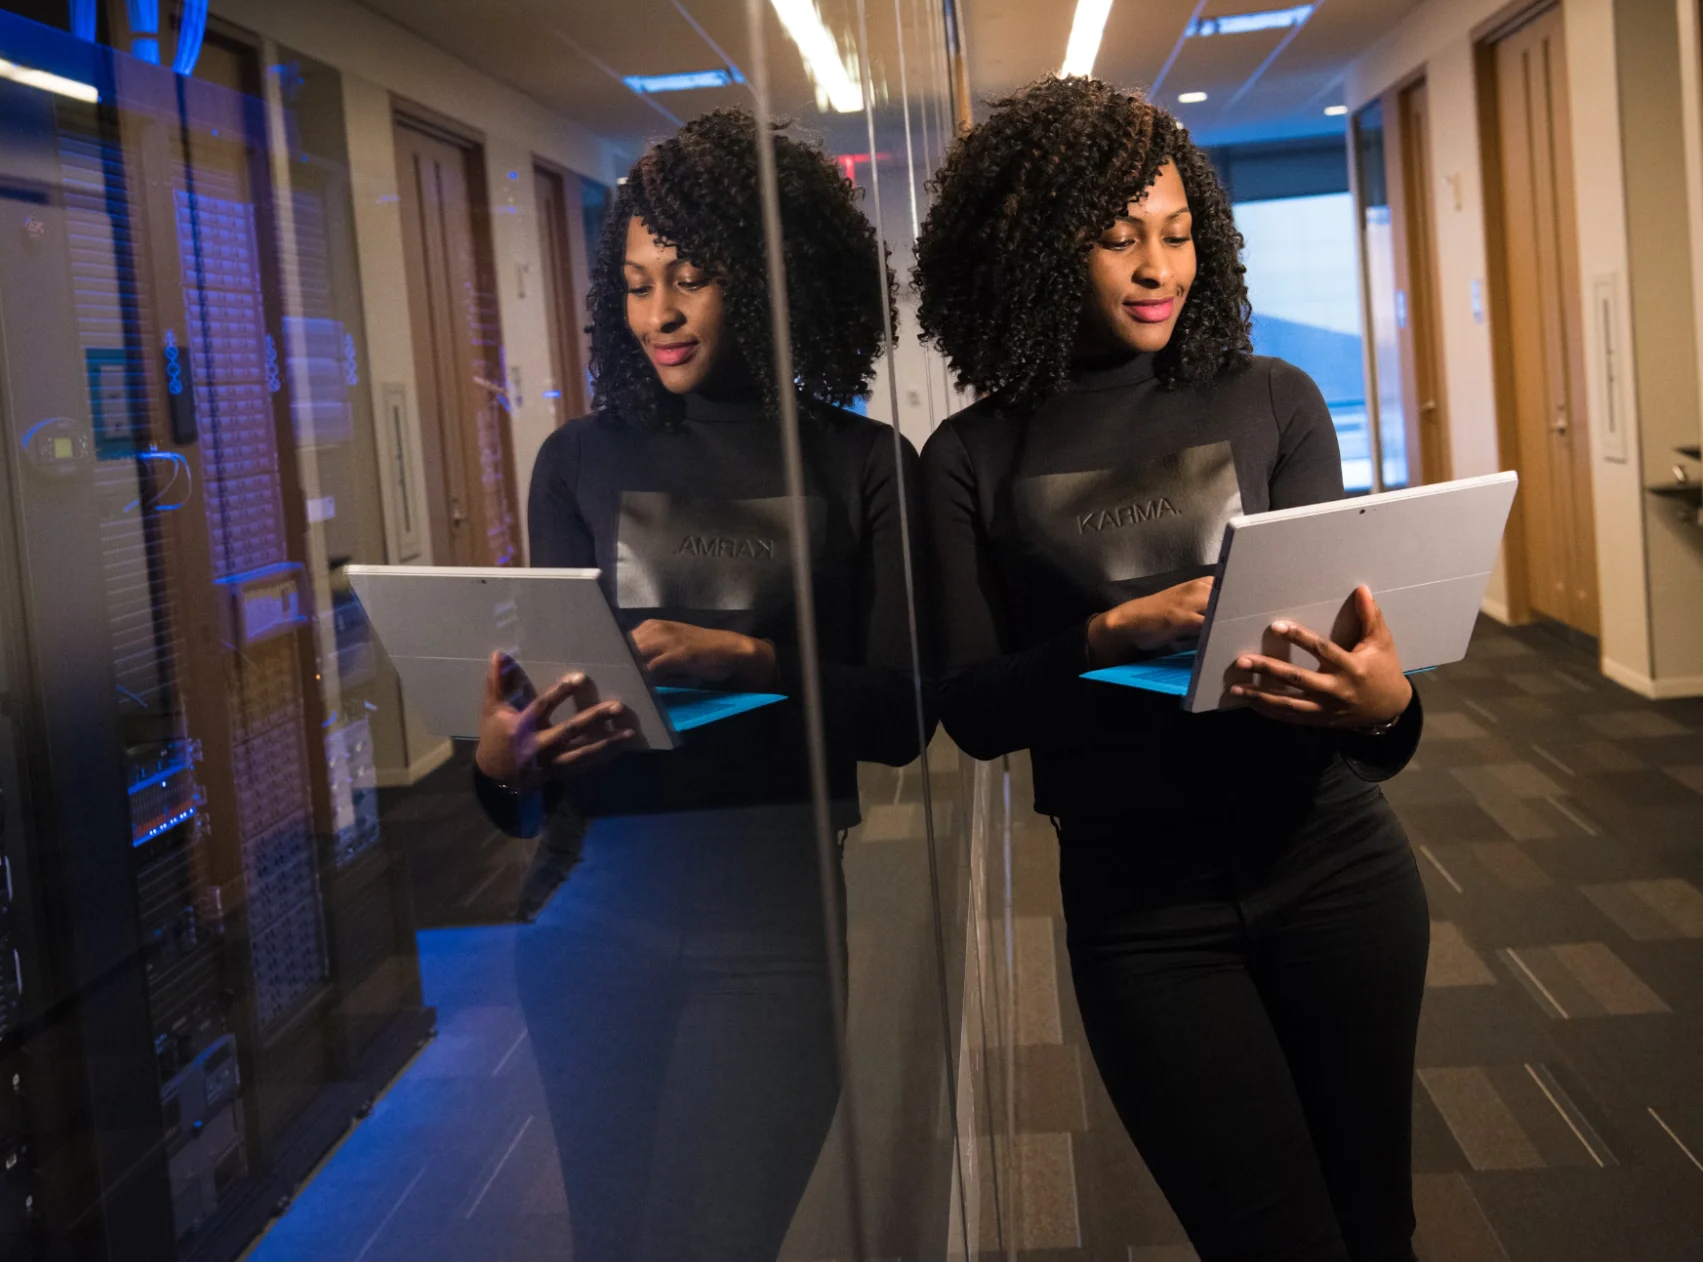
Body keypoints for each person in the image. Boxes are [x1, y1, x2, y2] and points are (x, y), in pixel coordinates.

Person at [914, 75, 1428, 1263]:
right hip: (1143, 912)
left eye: (1178, 232)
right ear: (1039, 252)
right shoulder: (971, 456)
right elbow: (973, 712)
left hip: (1335, 866)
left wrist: (1387, 706)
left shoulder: (1273, 399)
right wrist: (1105, 639)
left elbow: (1355, 676)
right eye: (1116, 238)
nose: (1157, 266)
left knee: (1377, 1229)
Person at [469, 108, 928, 1263]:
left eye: (689, 279)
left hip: (770, 928)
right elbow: (545, 740)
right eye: (634, 284)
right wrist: (499, 762)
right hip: (588, 912)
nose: (659, 314)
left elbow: (906, 714)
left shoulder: (863, 465)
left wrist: (754, 662)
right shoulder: (579, 460)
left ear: (774, 281)